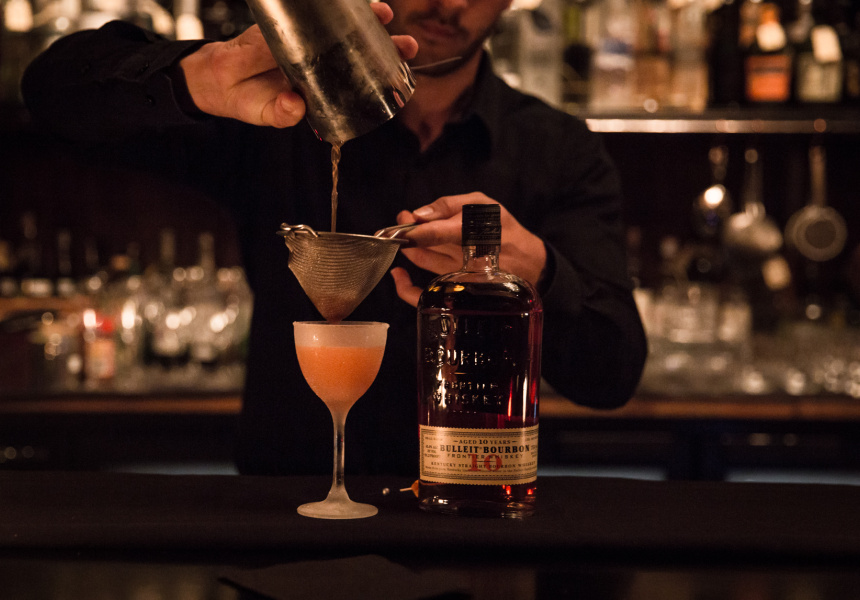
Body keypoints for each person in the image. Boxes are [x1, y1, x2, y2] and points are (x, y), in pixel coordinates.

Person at [21, 0, 647, 476]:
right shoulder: (274, 115)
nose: (451, 3)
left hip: (474, 507)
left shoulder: (558, 151)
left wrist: (537, 275)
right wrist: (196, 78)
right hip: (286, 514)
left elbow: (612, 374)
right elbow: (51, 93)